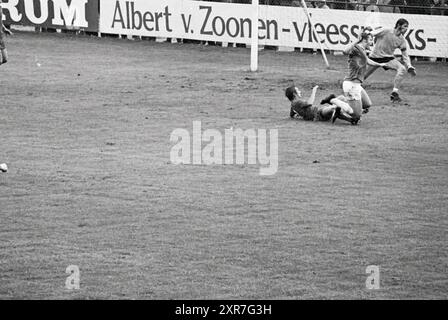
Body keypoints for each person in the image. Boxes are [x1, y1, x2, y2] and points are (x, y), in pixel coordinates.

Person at [339, 29, 386, 123]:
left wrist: (380, 65)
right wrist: (357, 40)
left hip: (357, 85)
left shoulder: (363, 50)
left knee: (367, 104)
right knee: (357, 116)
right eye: (370, 40)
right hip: (351, 84)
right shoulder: (356, 48)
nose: (372, 42)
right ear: (364, 40)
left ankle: (345, 102)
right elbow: (344, 51)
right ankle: (336, 105)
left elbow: (368, 61)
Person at [364, 19, 417, 103]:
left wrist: (409, 65)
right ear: (399, 25)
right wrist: (366, 44)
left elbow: (405, 55)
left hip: (388, 58)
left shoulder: (402, 40)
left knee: (402, 69)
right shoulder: (386, 31)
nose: (407, 29)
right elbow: (371, 34)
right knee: (361, 77)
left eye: (407, 27)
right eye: (405, 26)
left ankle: (394, 93)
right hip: (374, 57)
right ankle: (349, 85)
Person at [285, 85, 356, 124]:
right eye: (298, 90)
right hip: (318, 114)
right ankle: (334, 106)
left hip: (318, 111)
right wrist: (314, 91)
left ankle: (333, 104)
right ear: (294, 94)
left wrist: (301, 115)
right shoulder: (297, 102)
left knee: (341, 98)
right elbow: (310, 103)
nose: (300, 91)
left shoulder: (293, 104)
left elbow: (292, 114)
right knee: (333, 108)